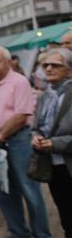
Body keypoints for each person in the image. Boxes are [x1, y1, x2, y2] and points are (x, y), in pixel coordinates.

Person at [0, 46, 51, 238]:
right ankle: (18, 232)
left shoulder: (19, 82)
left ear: (8, 62)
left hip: (17, 140)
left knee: (29, 190)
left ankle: (41, 234)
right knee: (3, 191)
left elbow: (21, 115)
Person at [32, 48, 72, 237]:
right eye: (45, 65)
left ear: (69, 70)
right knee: (65, 215)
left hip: (67, 160)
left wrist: (55, 144)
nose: (48, 68)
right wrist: (36, 137)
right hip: (52, 165)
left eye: (55, 65)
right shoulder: (45, 95)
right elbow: (37, 125)